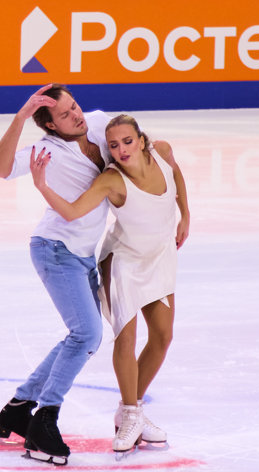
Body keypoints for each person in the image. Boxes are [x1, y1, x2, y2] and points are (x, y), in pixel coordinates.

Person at [30, 114, 190, 454]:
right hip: (124, 263)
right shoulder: (111, 180)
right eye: (114, 145)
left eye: (128, 141)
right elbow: (72, 212)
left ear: (142, 141)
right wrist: (42, 186)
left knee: (162, 336)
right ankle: (131, 413)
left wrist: (185, 215)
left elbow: (176, 174)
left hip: (160, 256)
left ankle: (130, 410)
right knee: (127, 338)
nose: (121, 150)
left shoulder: (162, 151)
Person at [0, 84, 112, 465]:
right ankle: (44, 419)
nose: (76, 116)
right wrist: (21, 117)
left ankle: (18, 408)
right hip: (55, 250)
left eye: (74, 106)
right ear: (52, 126)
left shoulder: (99, 123)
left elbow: (138, 146)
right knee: (86, 334)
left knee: (84, 336)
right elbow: (0, 169)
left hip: (83, 254)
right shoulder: (49, 151)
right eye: (64, 115)